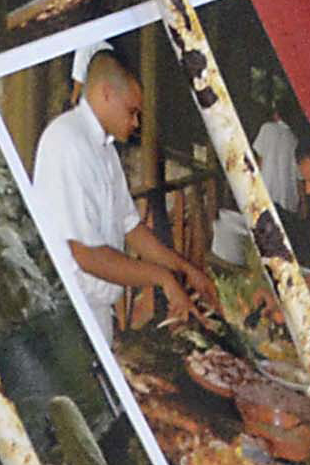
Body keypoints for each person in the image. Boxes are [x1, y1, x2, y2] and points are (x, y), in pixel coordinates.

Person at [30, 46, 211, 340]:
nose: (136, 123)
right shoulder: (66, 141)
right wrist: (162, 277)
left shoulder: (105, 150)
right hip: (70, 316)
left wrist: (184, 268)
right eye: (132, 112)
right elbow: (86, 255)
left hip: (98, 310)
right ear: (105, 93)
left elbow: (131, 226)